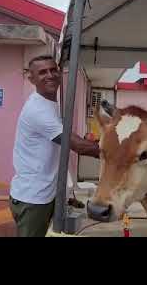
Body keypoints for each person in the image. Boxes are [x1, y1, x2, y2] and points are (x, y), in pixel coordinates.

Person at [9, 55, 100, 237]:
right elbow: (77, 146)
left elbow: (64, 140)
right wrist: (119, 153)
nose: (50, 75)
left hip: (45, 193)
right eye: (42, 72)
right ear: (31, 78)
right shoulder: (38, 110)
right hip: (33, 197)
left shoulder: (49, 103)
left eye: (53, 70)